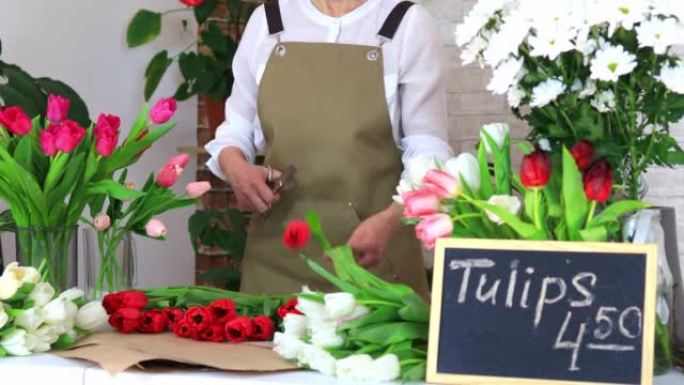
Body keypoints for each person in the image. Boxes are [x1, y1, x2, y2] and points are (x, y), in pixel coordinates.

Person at [205, 0, 452, 296]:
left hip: (375, 262)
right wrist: (236, 168)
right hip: (275, 263)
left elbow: (429, 150)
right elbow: (235, 130)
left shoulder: (406, 24)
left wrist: (390, 221)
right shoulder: (269, 22)